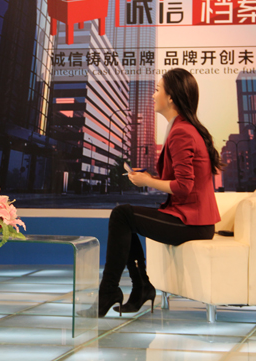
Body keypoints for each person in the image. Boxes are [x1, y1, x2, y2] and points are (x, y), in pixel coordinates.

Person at [94, 67, 222, 317]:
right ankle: (139, 287)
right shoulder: (182, 128)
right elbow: (181, 180)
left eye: (157, 90)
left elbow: (184, 186)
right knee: (125, 218)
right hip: (193, 220)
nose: (153, 95)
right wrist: (149, 177)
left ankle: (113, 290)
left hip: (193, 223)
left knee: (122, 215)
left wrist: (148, 181)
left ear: (171, 96)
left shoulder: (181, 132)